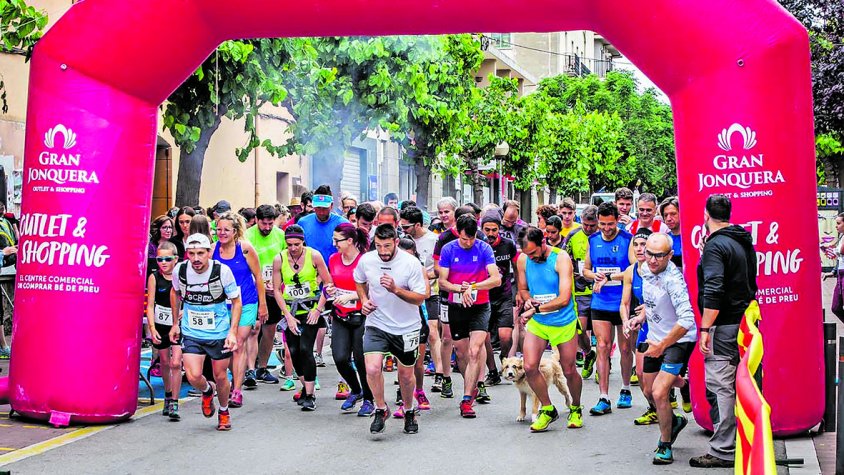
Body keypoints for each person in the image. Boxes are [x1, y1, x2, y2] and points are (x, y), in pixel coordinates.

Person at [690, 194, 757, 469]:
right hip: (742, 322)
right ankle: (739, 442)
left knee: (721, 387)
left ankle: (723, 449)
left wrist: (705, 327)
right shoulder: (741, 241)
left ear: (706, 215)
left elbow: (715, 288)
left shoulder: (716, 246)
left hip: (724, 325)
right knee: (736, 385)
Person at [624, 233, 696, 464]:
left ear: (670, 255)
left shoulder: (674, 281)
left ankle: (665, 444)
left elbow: (687, 320)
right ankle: (679, 400)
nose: (653, 260)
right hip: (655, 337)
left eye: (659, 256)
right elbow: (652, 301)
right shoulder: (645, 269)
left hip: (678, 340)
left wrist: (663, 345)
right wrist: (641, 317)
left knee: (659, 391)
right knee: (647, 390)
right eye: (649, 254)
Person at [354, 224, 428, 435]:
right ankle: (380, 408)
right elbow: (359, 280)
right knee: (372, 369)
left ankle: (409, 410)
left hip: (406, 327)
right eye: (379, 246)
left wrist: (395, 289)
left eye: (387, 246)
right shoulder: (368, 260)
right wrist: (364, 300)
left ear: (396, 242)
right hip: (376, 323)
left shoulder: (410, 263)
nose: (383, 252)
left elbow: (420, 298)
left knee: (405, 375)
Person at [169, 233, 241, 431]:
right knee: (193, 376)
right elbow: (175, 292)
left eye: (200, 253)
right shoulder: (180, 270)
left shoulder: (222, 271)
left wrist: (233, 332)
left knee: (220, 376)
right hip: (192, 330)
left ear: (209, 253)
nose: (196, 259)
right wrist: (175, 323)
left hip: (218, 331)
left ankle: (224, 411)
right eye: (191, 254)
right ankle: (207, 391)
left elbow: (236, 301)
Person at [516, 226, 585, 431]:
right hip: (539, 322)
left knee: (569, 369)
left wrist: (534, 309)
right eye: (527, 254)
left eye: (534, 253)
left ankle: (576, 407)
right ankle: (547, 409)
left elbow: (564, 299)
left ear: (543, 243)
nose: (531, 258)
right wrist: (528, 301)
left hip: (563, 321)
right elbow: (523, 289)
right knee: (529, 367)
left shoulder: (561, 258)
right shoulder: (523, 259)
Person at [437, 214, 502, 418]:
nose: (468, 243)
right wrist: (459, 289)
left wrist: (473, 287)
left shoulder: (483, 248)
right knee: (463, 353)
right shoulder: (448, 249)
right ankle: (471, 384)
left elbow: (496, 279)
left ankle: (466, 399)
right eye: (465, 239)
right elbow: (442, 282)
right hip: (456, 306)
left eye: (472, 238)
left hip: (480, 305)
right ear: (458, 233)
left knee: (475, 351)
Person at [272, 225, 333, 411]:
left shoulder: (314, 256)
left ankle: (310, 394)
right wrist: (288, 316)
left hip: (310, 309)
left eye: (296, 244)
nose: (293, 248)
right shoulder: (279, 259)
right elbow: (276, 289)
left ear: (303, 241)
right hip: (291, 310)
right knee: (293, 351)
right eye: (289, 244)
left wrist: (318, 309)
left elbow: (329, 284)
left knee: (306, 349)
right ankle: (304, 386)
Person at [583, 202, 633, 415]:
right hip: (600, 301)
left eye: (610, 224)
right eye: (602, 224)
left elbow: (633, 269)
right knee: (602, 346)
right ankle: (603, 396)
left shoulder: (627, 240)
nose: (606, 228)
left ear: (617, 220)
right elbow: (585, 269)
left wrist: (612, 277)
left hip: (622, 301)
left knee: (624, 348)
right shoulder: (593, 240)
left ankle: (625, 388)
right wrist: (593, 276)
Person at [213, 212, 266, 408]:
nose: (222, 233)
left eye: (226, 230)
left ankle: (236, 390)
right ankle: (223, 384)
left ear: (235, 231)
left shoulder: (245, 249)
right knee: (224, 345)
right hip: (222, 305)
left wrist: (263, 305)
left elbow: (258, 277)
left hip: (246, 302)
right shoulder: (212, 251)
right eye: (219, 229)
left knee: (239, 343)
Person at [329, 223, 376, 416]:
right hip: (340, 315)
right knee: (339, 358)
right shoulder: (333, 259)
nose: (334, 244)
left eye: (337, 240)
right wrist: (329, 289)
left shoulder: (365, 261)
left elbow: (373, 290)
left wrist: (352, 296)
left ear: (350, 241)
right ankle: (355, 390)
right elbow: (330, 283)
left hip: (361, 315)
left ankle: (369, 399)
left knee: (360, 358)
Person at [400, 206, 442, 389]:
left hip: (430, 292)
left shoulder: (434, 240)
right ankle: (409, 370)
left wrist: (421, 275)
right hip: (407, 296)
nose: (404, 231)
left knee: (433, 331)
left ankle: (440, 371)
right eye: (401, 227)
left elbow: (440, 270)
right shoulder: (401, 241)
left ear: (418, 224)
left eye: (407, 227)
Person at [244, 205, 287, 386]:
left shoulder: (280, 235)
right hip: (253, 288)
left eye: (270, 223)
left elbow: (286, 260)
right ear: (257, 220)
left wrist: (278, 284)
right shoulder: (247, 236)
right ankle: (249, 370)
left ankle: (262, 367)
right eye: (264, 223)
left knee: (270, 328)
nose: (267, 227)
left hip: (274, 288)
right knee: (254, 328)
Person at [620, 228, 658, 425]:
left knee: (662, 378)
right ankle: (655, 409)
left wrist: (646, 312)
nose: (639, 248)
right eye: (636, 244)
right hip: (644, 329)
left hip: (662, 327)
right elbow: (625, 303)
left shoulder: (659, 268)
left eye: (643, 244)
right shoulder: (631, 271)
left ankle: (677, 394)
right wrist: (626, 321)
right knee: (642, 377)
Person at [394, 237, 433, 417]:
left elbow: (425, 293)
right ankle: (403, 398)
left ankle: (419, 390)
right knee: (401, 362)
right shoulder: (390, 270)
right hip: (396, 320)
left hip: (418, 319)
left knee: (417, 362)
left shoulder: (419, 269)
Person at [479, 211, 518, 387]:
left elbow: (518, 266)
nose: (491, 233)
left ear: (499, 229)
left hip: (504, 295)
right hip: (484, 297)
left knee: (505, 336)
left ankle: (504, 357)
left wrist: (520, 290)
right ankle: (493, 372)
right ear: (482, 229)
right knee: (485, 338)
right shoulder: (478, 246)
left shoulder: (508, 245)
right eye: (487, 229)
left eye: (494, 229)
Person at [145, 241, 183, 420]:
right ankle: (168, 394)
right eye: (160, 259)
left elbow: (189, 298)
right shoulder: (154, 277)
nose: (163, 262)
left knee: (176, 362)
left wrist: (183, 312)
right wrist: (151, 328)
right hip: (160, 324)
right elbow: (150, 305)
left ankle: (175, 400)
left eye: (167, 259)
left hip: (177, 325)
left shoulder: (182, 276)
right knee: (165, 362)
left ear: (176, 260)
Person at [565, 205, 598, 379]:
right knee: (579, 330)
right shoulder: (573, 235)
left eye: (592, 225)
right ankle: (588, 353)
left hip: (601, 290)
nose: (588, 228)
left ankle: (602, 367)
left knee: (602, 334)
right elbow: (564, 258)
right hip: (580, 290)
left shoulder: (603, 236)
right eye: (585, 224)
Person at [660, 197, 683, 269]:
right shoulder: (664, 240)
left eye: (673, 214)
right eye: (665, 215)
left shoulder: (693, 238)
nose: (668, 219)